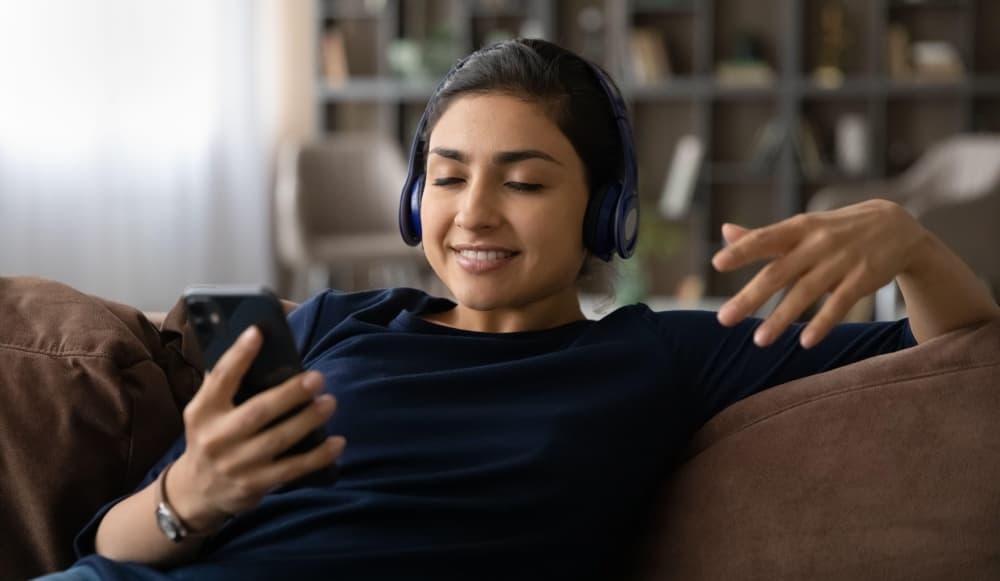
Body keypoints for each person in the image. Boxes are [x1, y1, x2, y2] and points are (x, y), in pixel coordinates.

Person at [42, 38, 999, 581]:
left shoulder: (662, 357)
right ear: (417, 200)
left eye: (526, 182)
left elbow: (953, 356)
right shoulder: (338, 322)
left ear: (606, 209)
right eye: (449, 178)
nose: (474, 214)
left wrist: (907, 239)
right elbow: (107, 546)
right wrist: (190, 495)